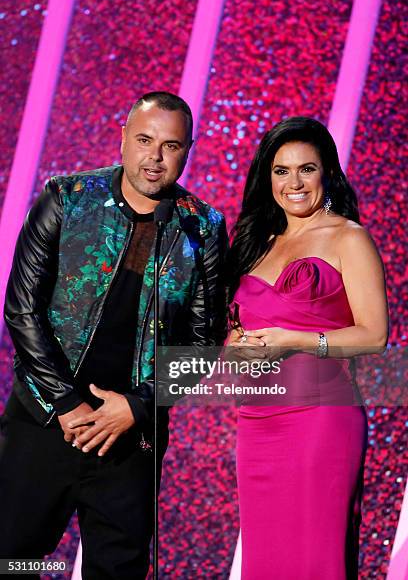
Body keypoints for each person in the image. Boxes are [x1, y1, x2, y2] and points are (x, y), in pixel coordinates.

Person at [0, 91, 227, 579]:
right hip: (45, 422)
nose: (155, 157)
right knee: (13, 560)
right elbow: (22, 311)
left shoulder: (202, 227)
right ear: (122, 137)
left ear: (188, 151)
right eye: (145, 140)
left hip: (130, 439)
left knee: (117, 570)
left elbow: (205, 343)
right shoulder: (67, 198)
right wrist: (66, 404)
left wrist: (140, 406)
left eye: (171, 146)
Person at [226, 117, 388, 579]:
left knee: (316, 560)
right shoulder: (256, 241)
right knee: (267, 562)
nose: (293, 183)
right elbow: (233, 328)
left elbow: (374, 336)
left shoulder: (347, 237)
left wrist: (295, 341)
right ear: (267, 177)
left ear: (327, 173)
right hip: (255, 424)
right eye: (281, 171)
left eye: (306, 169)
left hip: (319, 421)